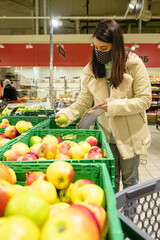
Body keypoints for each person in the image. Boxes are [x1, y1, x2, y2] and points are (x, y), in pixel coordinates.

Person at [55, 20, 152, 193]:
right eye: (96, 48)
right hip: (106, 136)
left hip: (130, 135)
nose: (99, 52)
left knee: (130, 182)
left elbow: (145, 100)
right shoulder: (92, 70)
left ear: (115, 46)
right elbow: (83, 102)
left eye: (104, 49)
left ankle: (127, 219)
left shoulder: (133, 65)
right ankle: (113, 218)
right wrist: (66, 114)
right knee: (110, 183)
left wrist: (113, 106)